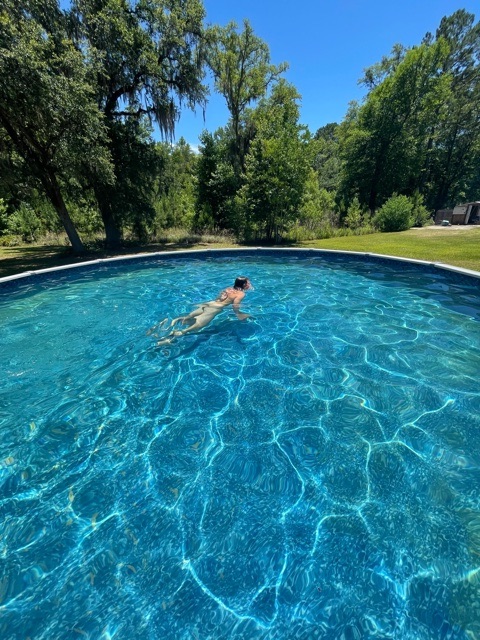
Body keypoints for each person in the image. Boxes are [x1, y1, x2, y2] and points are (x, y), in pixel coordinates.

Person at [151, 276, 253, 345]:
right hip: (214, 309)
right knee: (193, 328)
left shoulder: (228, 289)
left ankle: (170, 324)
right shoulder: (240, 294)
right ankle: (166, 340)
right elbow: (235, 306)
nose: (249, 284)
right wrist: (239, 314)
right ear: (243, 285)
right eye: (247, 283)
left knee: (188, 317)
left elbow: (219, 298)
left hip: (209, 304)